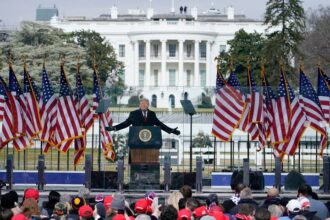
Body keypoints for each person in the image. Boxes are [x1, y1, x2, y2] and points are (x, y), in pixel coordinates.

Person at [106, 98, 180, 135]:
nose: (143, 105)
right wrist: (114, 128)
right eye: (142, 104)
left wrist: (171, 131)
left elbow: (160, 124)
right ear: (139, 105)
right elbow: (125, 124)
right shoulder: (133, 114)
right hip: (136, 140)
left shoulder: (152, 114)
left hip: (149, 140)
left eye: (145, 104)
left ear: (148, 105)